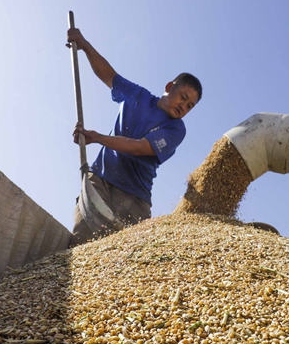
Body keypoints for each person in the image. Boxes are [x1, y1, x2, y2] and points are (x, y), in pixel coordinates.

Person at [67, 27, 202, 247]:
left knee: (124, 260)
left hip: (133, 198)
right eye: (183, 97)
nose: (183, 107)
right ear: (169, 87)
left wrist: (97, 137)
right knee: (80, 243)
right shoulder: (138, 96)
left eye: (189, 106)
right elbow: (109, 75)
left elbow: (139, 148)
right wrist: (84, 45)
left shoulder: (176, 129)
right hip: (100, 179)